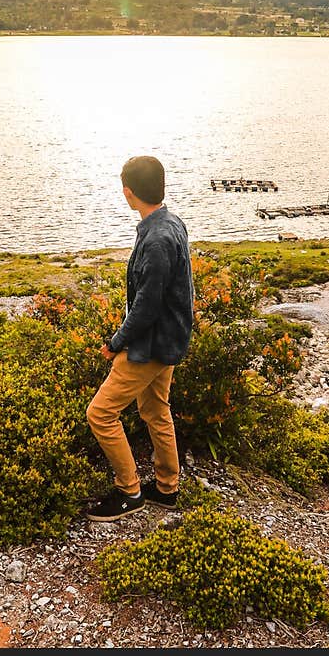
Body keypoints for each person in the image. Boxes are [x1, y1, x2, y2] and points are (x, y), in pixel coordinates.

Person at [85, 154, 195, 522]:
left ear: (128, 192)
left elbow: (146, 308)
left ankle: (129, 490)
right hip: (168, 340)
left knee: (100, 413)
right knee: (155, 410)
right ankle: (167, 488)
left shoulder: (156, 238)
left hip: (151, 345)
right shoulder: (169, 222)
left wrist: (115, 343)